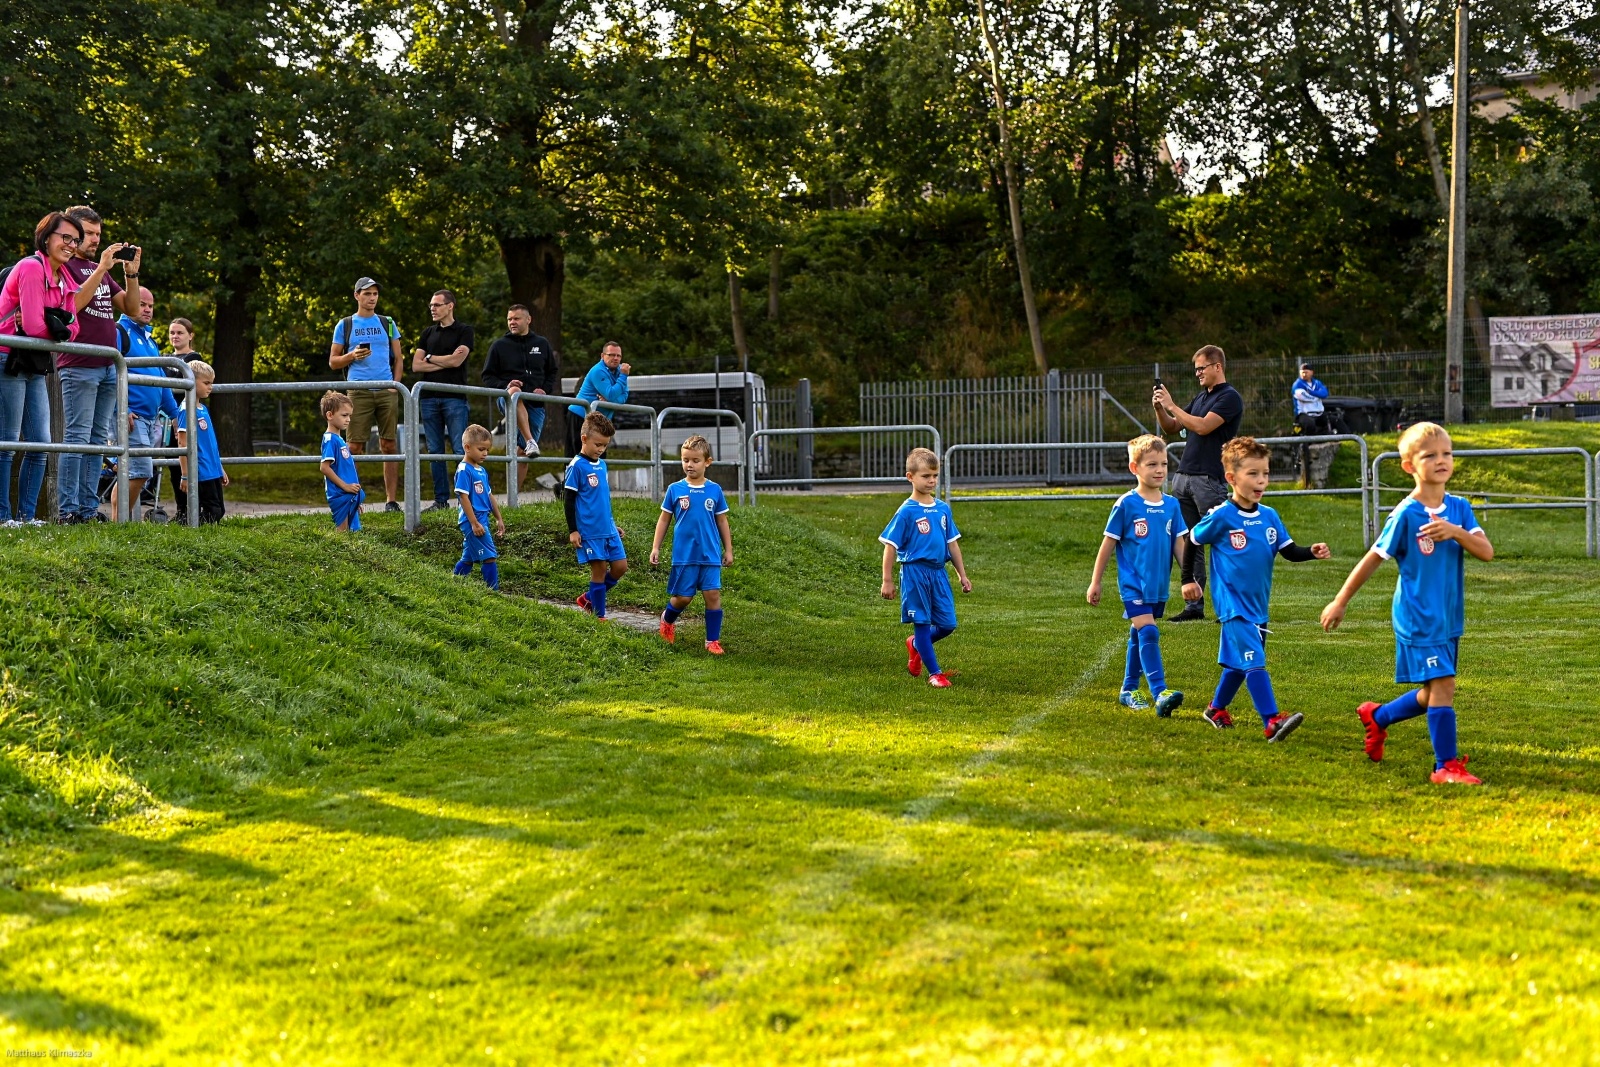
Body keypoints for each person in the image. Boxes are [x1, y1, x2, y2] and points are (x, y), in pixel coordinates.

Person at [1320, 423, 1494, 785]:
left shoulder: (1460, 508)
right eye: (1430, 455)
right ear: (1409, 466)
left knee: (1433, 692)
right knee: (1444, 686)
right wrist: (1340, 600)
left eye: (1447, 453)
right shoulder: (1405, 514)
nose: (1441, 460)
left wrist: (1455, 532)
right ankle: (1445, 767)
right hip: (1418, 616)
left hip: (1448, 617)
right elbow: (1373, 558)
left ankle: (1378, 717)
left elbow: (1486, 552)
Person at [1189, 437, 1331, 740]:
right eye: (1252, 473)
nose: (1261, 480)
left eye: (1265, 473)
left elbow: (1288, 550)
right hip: (1232, 605)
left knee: (1239, 665)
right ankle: (1272, 721)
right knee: (1254, 661)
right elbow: (1194, 539)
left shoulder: (1269, 516)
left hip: (1258, 606)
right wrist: (1189, 579)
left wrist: (1311, 551)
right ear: (1231, 478)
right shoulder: (1222, 515)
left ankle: (1216, 709)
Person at [1086, 434, 1195, 716]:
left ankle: (1128, 689)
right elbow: (1107, 545)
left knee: (1138, 634)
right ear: (1135, 468)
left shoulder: (1172, 505)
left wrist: (1188, 578)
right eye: (1151, 464)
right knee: (1148, 630)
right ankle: (1160, 693)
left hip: (1157, 585)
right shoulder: (1126, 504)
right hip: (1133, 584)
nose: (1159, 470)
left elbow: (1179, 544)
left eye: (1164, 464)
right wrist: (1096, 582)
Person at [0, 213, 86, 527]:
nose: (71, 245)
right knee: (8, 441)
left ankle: (26, 518)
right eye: (65, 237)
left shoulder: (67, 279)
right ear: (46, 237)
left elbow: (73, 330)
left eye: (76, 240)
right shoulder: (30, 267)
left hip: (34, 361)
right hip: (7, 356)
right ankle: (3, 517)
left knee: (40, 442)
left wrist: (50, 323)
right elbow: (38, 326)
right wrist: (56, 323)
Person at [59, 205, 141, 523]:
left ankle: (87, 509)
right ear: (72, 234)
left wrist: (131, 273)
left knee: (96, 442)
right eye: (89, 233)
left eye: (98, 234)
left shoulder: (101, 270)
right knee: (77, 438)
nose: (95, 239)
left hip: (108, 366)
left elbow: (131, 308)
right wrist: (101, 268)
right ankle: (68, 511)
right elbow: (73, 305)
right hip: (79, 364)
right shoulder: (62, 266)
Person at [1152, 344, 1244, 622]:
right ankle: (1194, 606)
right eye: (1196, 370)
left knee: (1222, 543)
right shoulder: (1202, 397)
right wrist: (1160, 409)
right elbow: (1172, 428)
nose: (1198, 374)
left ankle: (1232, 608)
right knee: (1191, 542)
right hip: (1184, 478)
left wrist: (1172, 405)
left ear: (1218, 367)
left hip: (1209, 480)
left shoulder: (1229, 397)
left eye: (1201, 368)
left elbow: (1203, 426)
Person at [878, 447, 972, 688]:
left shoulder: (943, 509)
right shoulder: (906, 511)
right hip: (914, 572)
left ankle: (916, 644)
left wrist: (962, 575)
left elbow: (952, 544)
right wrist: (887, 580)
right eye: (926, 476)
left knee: (948, 624)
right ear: (910, 477)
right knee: (921, 621)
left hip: (938, 573)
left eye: (935, 476)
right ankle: (935, 674)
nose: (931, 481)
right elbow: (890, 546)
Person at [649, 435, 734, 654]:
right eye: (685, 460)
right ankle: (667, 620)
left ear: (707, 462)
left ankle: (712, 641)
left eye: (695, 460)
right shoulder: (675, 489)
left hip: (710, 554)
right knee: (683, 598)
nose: (690, 465)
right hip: (684, 555)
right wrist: (656, 547)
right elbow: (664, 520)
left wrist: (728, 550)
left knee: (712, 595)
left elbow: (722, 521)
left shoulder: (715, 490)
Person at [329, 277, 403, 512]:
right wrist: (351, 356)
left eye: (375, 294)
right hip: (358, 390)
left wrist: (395, 385)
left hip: (386, 389)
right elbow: (333, 361)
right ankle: (353, 499)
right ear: (357, 295)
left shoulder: (387, 322)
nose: (372, 298)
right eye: (367, 293)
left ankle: (391, 501)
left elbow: (399, 358)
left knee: (389, 445)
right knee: (354, 447)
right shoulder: (345, 324)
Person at [112, 286, 179, 518]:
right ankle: (121, 522)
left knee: (135, 472)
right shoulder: (119, 332)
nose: (148, 309)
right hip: (132, 416)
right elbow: (110, 374)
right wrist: (122, 408)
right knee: (140, 471)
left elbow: (161, 381)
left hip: (150, 419)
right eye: (142, 304)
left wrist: (175, 414)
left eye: (150, 306)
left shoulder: (150, 340)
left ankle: (120, 522)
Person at [412, 290, 474, 513]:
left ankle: (465, 500)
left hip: (454, 398)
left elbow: (457, 361)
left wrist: (430, 358)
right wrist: (444, 360)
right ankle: (441, 501)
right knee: (435, 451)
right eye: (431, 305)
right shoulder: (427, 333)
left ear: (450, 306)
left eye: (437, 305)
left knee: (460, 449)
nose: (433, 308)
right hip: (428, 398)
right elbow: (416, 365)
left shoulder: (464, 331)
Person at [481, 304, 559, 480]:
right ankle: (531, 440)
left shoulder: (542, 343)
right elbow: (487, 376)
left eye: (516, 318)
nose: (512, 322)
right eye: (509, 319)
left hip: (535, 403)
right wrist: (506, 384)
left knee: (523, 453)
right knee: (515, 391)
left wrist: (544, 389)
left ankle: (514, 496)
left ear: (528, 319)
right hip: (508, 398)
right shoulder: (499, 345)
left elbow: (552, 372)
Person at [563, 412, 628, 619]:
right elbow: (569, 501)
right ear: (584, 439)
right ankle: (599, 617)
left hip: (608, 528)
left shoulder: (602, 464)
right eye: (598, 444)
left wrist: (612, 524)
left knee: (620, 567)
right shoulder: (576, 466)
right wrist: (573, 530)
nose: (601, 449)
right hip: (590, 531)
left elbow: (601, 499)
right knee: (599, 572)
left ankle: (589, 598)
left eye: (605, 445)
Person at [174, 360, 228, 524]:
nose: (210, 387)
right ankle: (186, 527)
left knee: (220, 510)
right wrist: (185, 475)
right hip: (201, 470)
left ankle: (191, 525)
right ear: (190, 381)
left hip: (212, 469)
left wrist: (220, 468)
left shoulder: (203, 409)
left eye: (211, 383)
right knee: (213, 511)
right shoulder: (186, 409)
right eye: (206, 383)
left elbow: (210, 444)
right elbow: (182, 444)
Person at [454, 424, 505, 589]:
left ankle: (453, 583)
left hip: (482, 518)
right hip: (473, 520)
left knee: (468, 558)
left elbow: (489, 495)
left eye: (487, 450)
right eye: (481, 449)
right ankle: (493, 592)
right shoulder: (464, 470)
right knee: (490, 556)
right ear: (467, 448)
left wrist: (498, 518)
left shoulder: (482, 470)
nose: (485, 453)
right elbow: (463, 497)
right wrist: (474, 523)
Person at [566, 341, 629, 457]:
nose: (616, 358)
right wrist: (623, 377)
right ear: (602, 356)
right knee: (576, 458)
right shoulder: (598, 370)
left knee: (599, 458)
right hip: (581, 417)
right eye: (611, 355)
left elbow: (624, 396)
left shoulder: (620, 372)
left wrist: (610, 401)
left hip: (601, 421)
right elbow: (611, 394)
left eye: (618, 356)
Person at [319, 391, 364, 532]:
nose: (348, 419)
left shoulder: (339, 439)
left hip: (348, 493)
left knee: (352, 532)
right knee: (342, 533)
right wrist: (345, 487)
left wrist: (354, 499)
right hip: (339, 493)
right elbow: (324, 468)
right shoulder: (329, 440)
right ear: (330, 415)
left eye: (349, 415)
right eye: (344, 415)